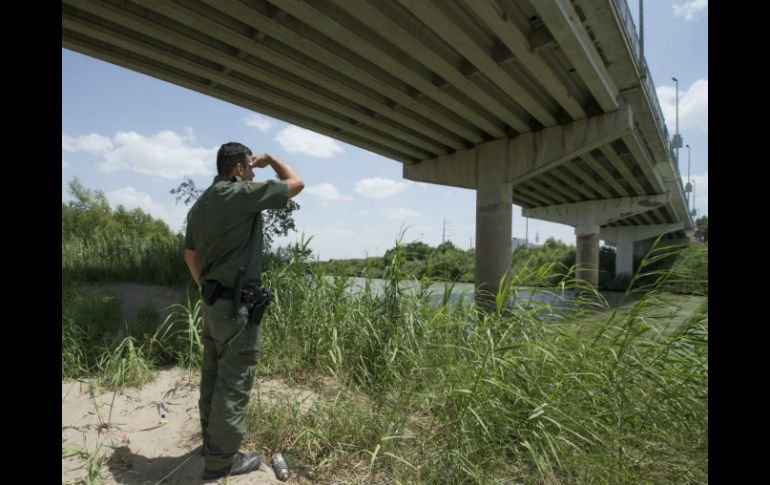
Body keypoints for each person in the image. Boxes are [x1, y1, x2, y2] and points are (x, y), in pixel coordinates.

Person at [183, 142, 304, 480]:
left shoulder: (201, 203)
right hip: (236, 307)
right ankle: (222, 461)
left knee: (212, 376)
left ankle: (211, 444)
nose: (253, 173)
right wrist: (274, 160)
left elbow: (189, 256)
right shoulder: (238, 194)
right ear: (238, 169)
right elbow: (296, 184)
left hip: (212, 305)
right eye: (250, 167)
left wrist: (208, 290)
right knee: (233, 384)